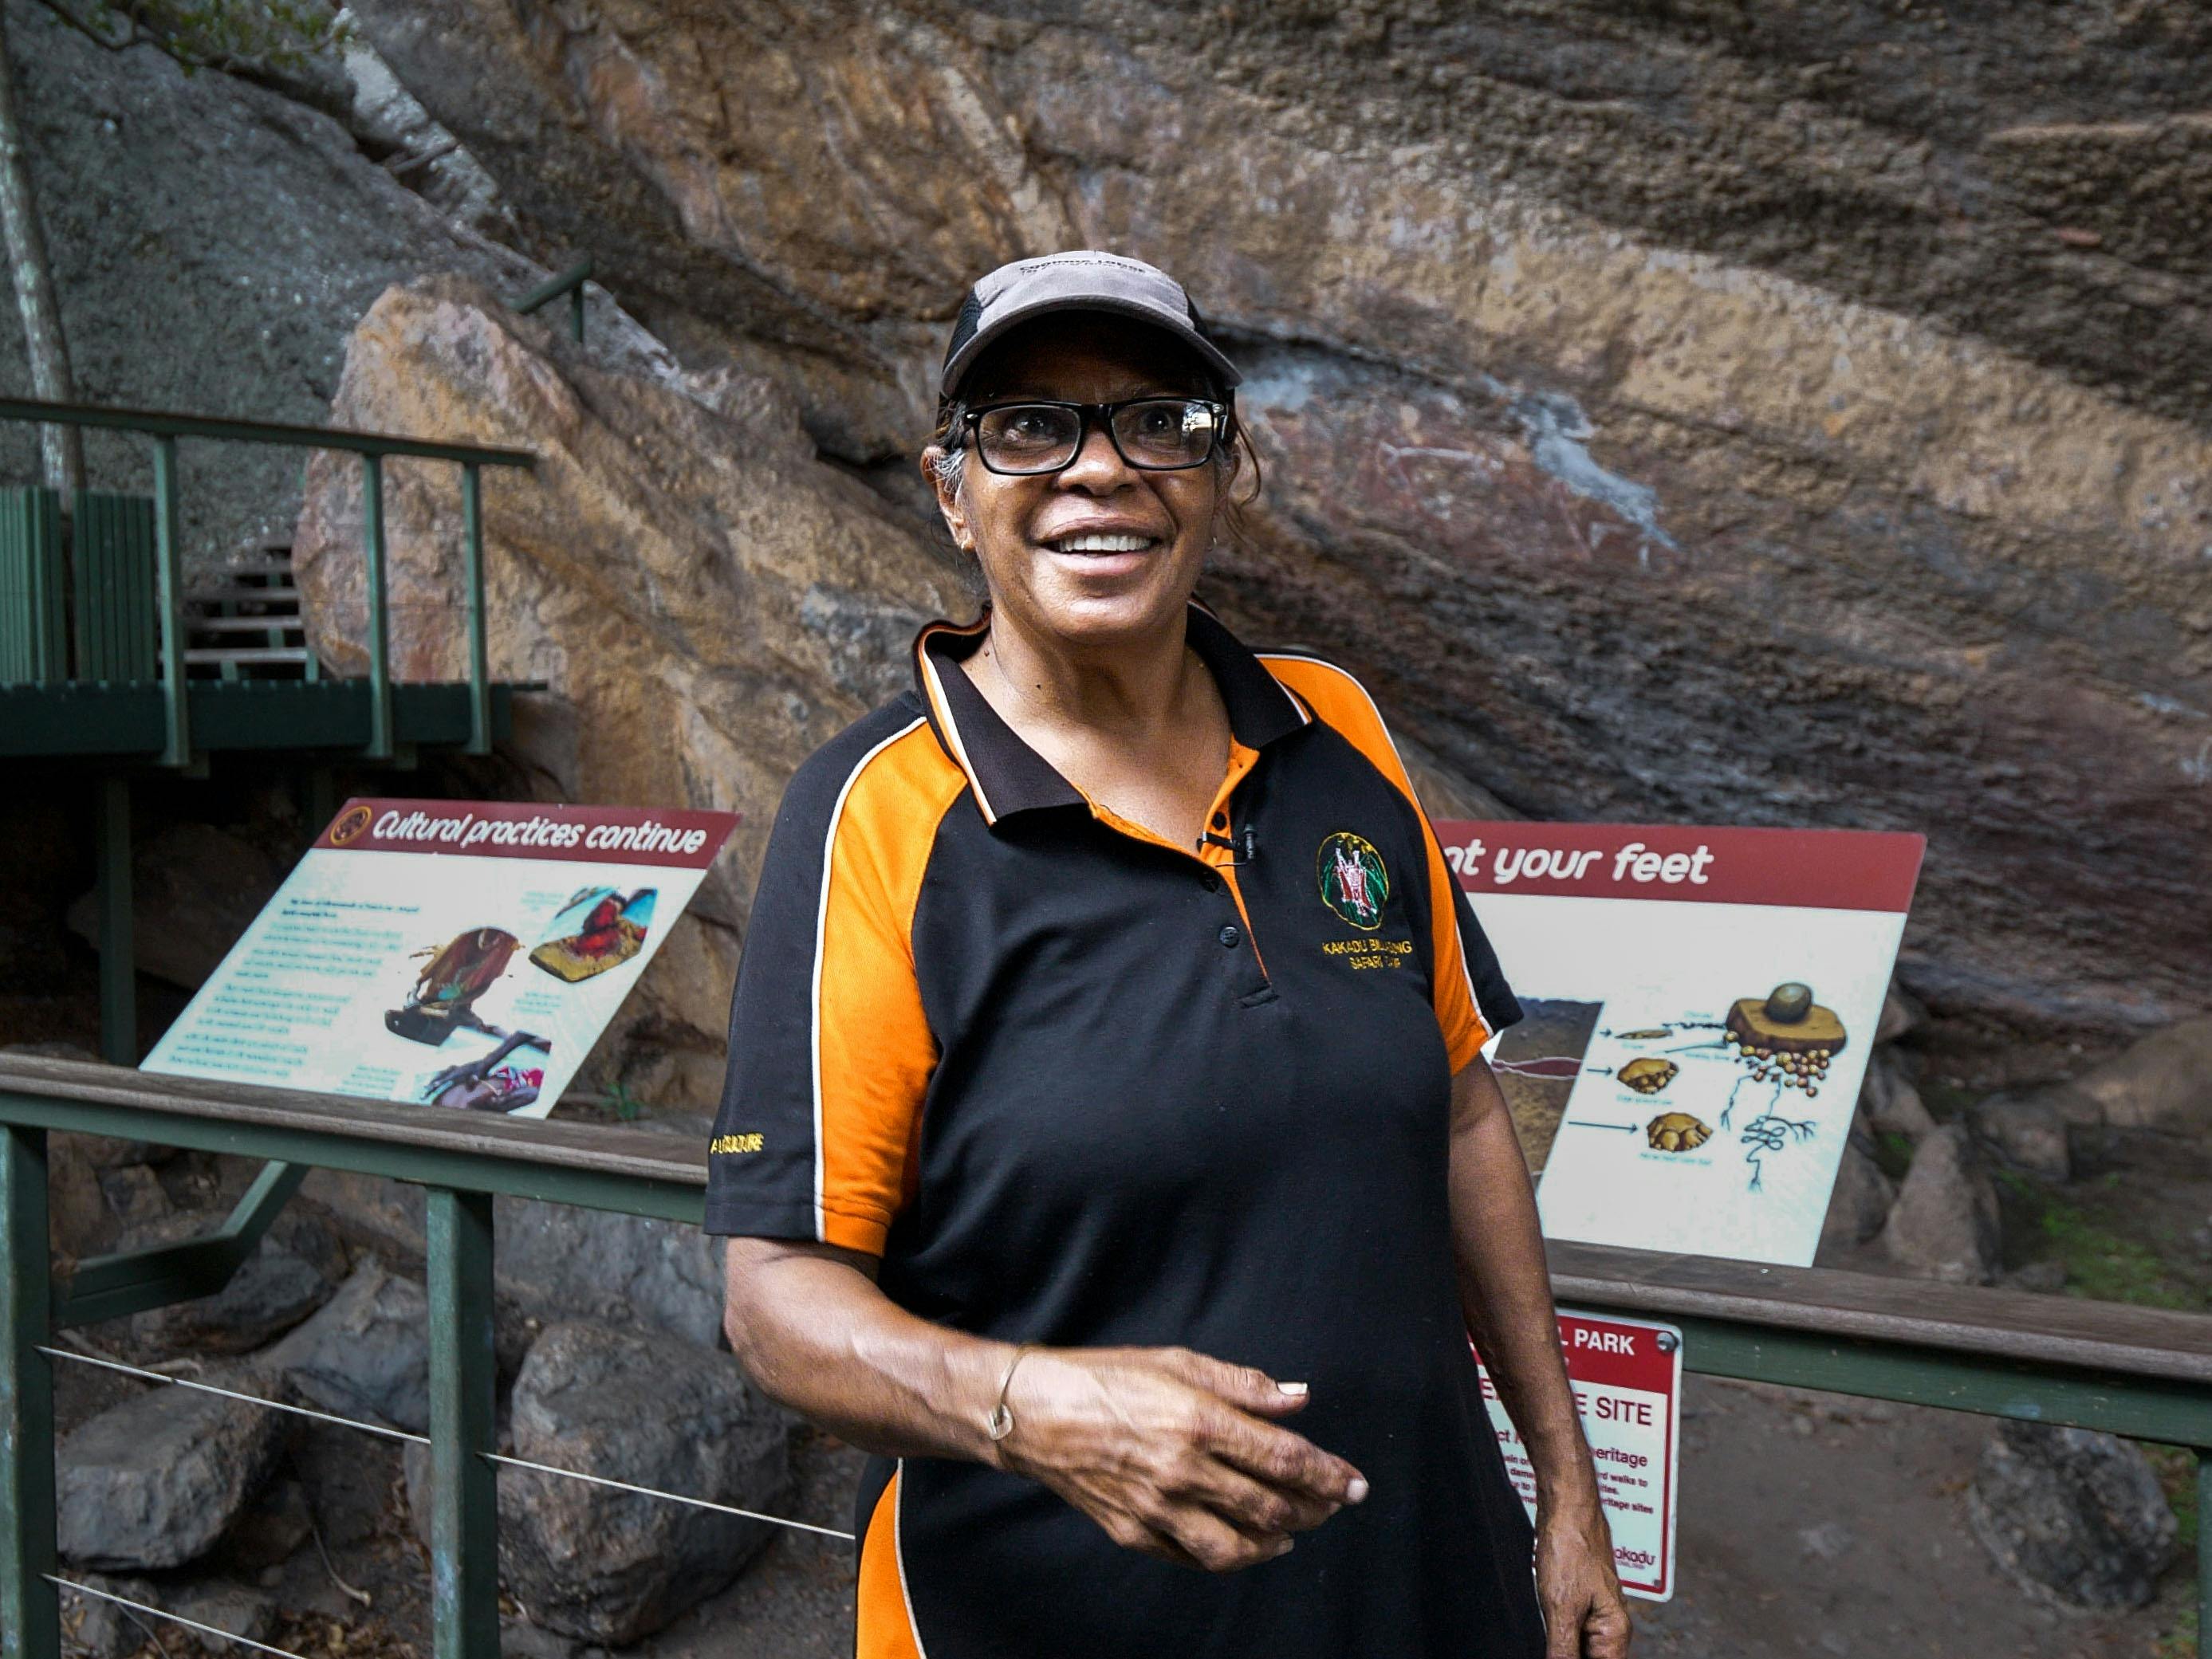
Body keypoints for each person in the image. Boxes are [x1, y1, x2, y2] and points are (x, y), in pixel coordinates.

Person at [706, 250, 1630, 1659]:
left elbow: (1456, 1107)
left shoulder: (1335, 735)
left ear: (1224, 471)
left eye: (1160, 420)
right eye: (1027, 423)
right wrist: (1033, 1406)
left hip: (1427, 1590)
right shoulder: (877, 821)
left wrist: (1566, 1493)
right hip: (1051, 1619)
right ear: (951, 490)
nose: (1100, 470)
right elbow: (775, 1301)